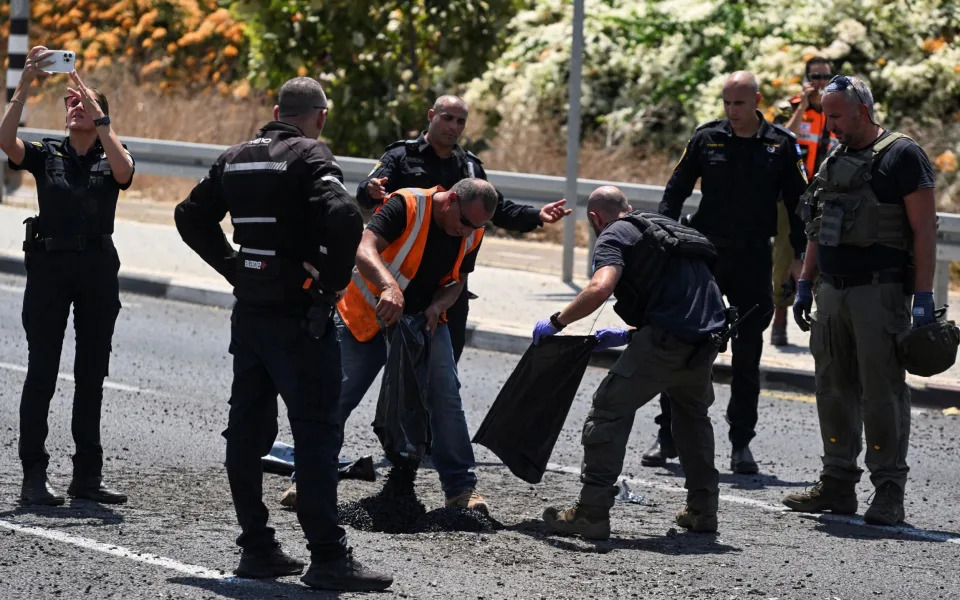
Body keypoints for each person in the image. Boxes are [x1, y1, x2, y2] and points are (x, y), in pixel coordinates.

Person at [175, 77, 392, 592]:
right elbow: (343, 214)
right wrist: (330, 286)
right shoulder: (310, 153)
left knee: (247, 432)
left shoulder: (235, 156)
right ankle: (328, 558)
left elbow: (188, 215)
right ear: (318, 116)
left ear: (275, 111)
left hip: (250, 314)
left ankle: (256, 547)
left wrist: (234, 267)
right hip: (299, 317)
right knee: (317, 431)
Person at [784, 75, 937, 526]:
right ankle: (837, 483)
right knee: (832, 389)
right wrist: (806, 283)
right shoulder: (835, 156)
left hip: (880, 291)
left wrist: (924, 296)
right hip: (833, 292)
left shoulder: (903, 155)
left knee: (882, 394)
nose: (827, 122)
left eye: (834, 114)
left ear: (861, 111)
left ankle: (888, 491)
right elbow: (818, 227)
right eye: (825, 114)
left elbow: (925, 229)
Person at [536, 186, 727, 539]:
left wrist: (557, 321)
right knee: (692, 418)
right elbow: (675, 292)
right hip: (704, 342)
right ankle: (703, 510)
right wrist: (626, 335)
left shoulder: (613, 234)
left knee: (608, 410)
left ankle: (591, 513)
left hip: (665, 342)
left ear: (595, 218)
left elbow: (600, 287)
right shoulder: (661, 227)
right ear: (629, 207)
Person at [646, 71, 810, 474]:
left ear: (756, 101)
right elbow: (675, 190)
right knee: (685, 343)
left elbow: (798, 204)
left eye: (739, 103)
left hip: (754, 257)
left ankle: (741, 444)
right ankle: (667, 436)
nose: (732, 111)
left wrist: (801, 256)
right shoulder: (707, 138)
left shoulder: (780, 145)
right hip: (706, 254)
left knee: (748, 353)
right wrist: (667, 239)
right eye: (727, 103)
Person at [1, 46, 134, 506]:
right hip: (50, 269)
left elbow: (124, 172)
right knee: (41, 372)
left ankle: (87, 478)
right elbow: (5, 141)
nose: (73, 105)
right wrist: (24, 84)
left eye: (82, 101)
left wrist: (101, 121)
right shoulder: (46, 153)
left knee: (91, 376)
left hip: (98, 269)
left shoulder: (110, 152)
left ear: (99, 113)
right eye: (69, 102)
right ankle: (33, 476)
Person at [356, 95, 571, 362]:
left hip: (448, 284)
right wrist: (371, 190)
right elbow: (367, 195)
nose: (454, 126)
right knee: (371, 361)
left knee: (442, 366)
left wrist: (536, 214)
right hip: (400, 279)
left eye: (461, 121)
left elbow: (497, 209)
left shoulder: (469, 167)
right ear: (432, 115)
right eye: (447, 118)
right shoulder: (401, 156)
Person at [336, 178, 497, 512]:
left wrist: (439, 306)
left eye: (477, 227)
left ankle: (460, 489)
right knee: (337, 396)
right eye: (465, 223)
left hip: (422, 319)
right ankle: (309, 479)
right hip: (369, 314)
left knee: (446, 396)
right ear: (451, 200)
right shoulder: (407, 205)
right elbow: (364, 250)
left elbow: (458, 280)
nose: (468, 233)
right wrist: (389, 287)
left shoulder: (472, 228)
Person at [769, 57, 837, 346]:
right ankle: (779, 322)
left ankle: (824, 329)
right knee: (784, 260)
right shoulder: (791, 106)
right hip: (790, 196)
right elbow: (781, 139)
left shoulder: (840, 109)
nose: (820, 82)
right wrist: (802, 108)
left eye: (825, 77)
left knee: (825, 261)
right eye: (815, 76)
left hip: (827, 196)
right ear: (806, 78)